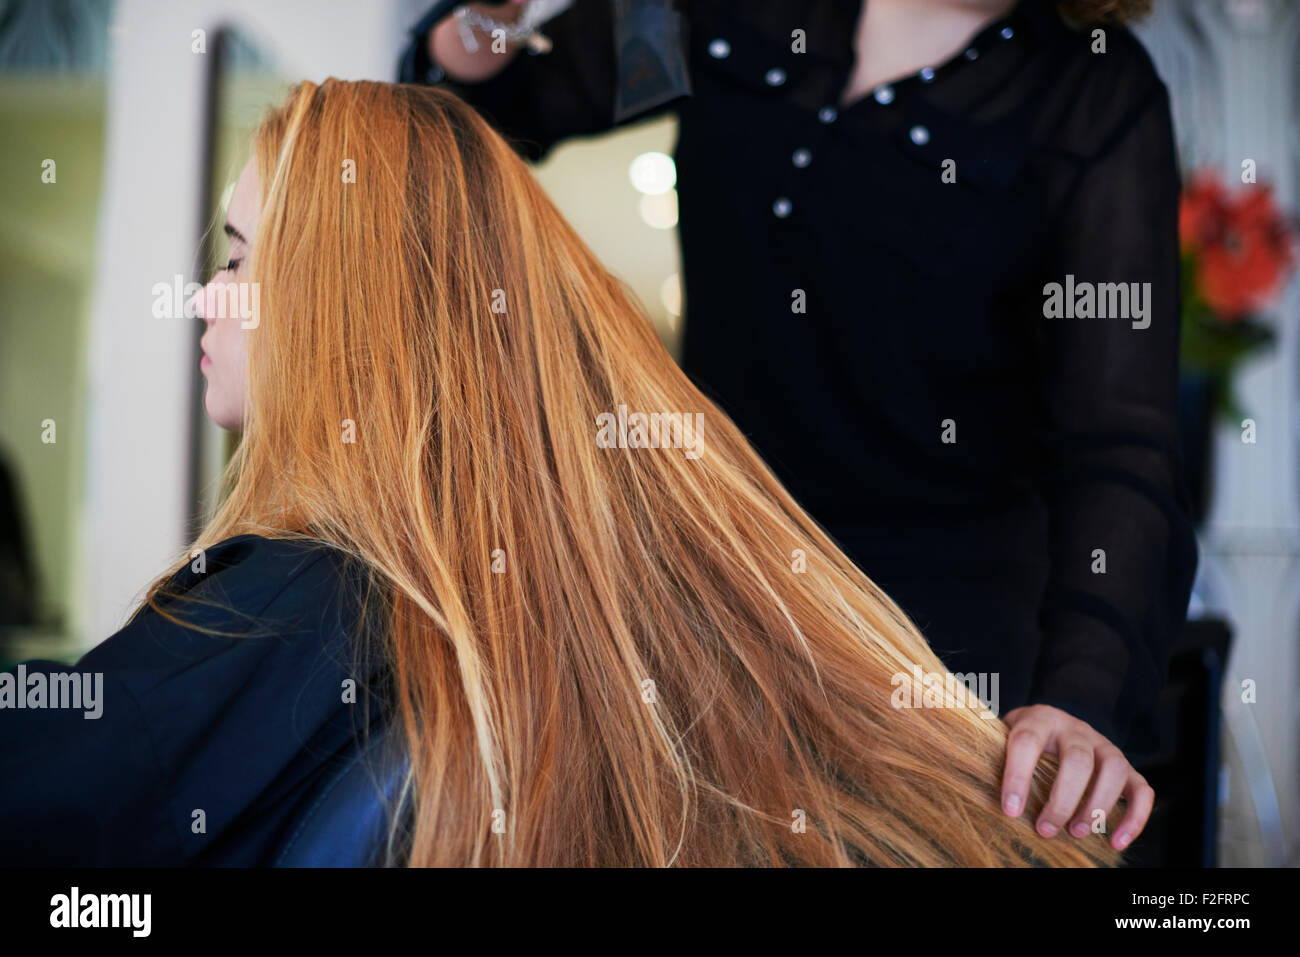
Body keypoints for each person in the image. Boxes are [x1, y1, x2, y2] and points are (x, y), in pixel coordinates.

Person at [0, 79, 1131, 866]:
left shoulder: (286, 599)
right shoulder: (424, 604)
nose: (207, 296)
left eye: (242, 257)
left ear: (339, 298)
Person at [398, 0, 1197, 846]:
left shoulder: (1096, 93)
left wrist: (1082, 696)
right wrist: (487, 20)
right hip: (714, 590)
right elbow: (477, 120)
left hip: (941, 640)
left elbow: (1121, 441)